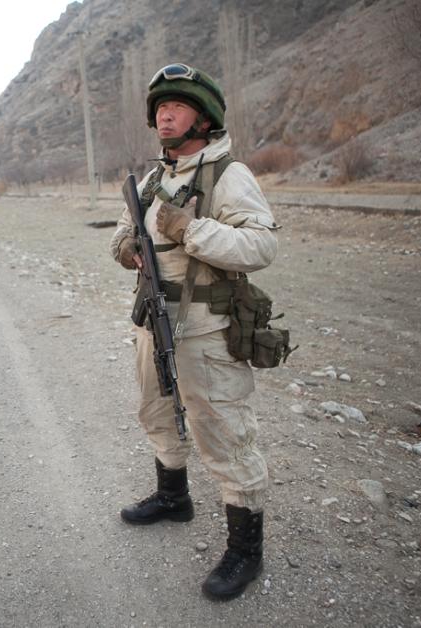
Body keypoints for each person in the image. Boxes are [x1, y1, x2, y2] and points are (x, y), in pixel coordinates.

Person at [109, 63, 278, 602]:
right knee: (157, 411)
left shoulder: (228, 175)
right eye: (161, 107)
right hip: (153, 319)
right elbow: (124, 232)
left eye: (177, 106)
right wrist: (126, 247)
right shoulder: (154, 179)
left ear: (203, 118)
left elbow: (262, 246)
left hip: (206, 329)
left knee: (224, 431)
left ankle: (246, 550)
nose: (165, 115)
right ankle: (173, 498)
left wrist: (192, 231)